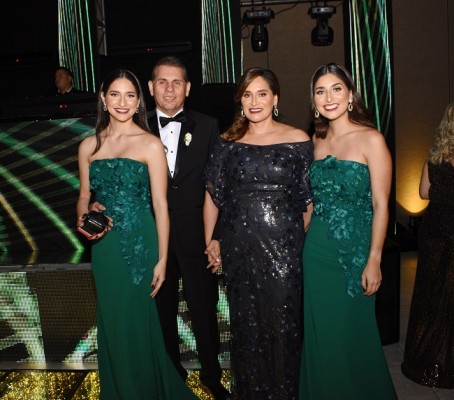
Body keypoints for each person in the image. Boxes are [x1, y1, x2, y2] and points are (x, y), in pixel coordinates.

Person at [76, 69, 197, 399]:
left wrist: (161, 260)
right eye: (115, 94)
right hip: (104, 247)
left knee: (136, 324)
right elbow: (84, 195)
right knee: (113, 324)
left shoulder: (149, 144)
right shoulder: (88, 145)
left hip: (140, 246)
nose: (122, 102)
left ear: (138, 101)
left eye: (130, 95)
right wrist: (85, 216)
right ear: (103, 98)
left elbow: (161, 205)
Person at [204, 67, 314, 400]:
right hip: (239, 251)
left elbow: (306, 201)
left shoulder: (298, 139)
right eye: (247, 95)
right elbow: (213, 195)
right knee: (246, 328)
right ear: (240, 101)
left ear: (275, 98)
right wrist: (211, 239)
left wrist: (291, 241)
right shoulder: (228, 142)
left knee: (282, 329)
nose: (254, 102)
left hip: (283, 252)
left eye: (262, 94)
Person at [299, 63, 397, 400]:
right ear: (313, 101)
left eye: (336, 88)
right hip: (316, 252)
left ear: (350, 94)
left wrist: (374, 259)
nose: (329, 97)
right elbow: (310, 204)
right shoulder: (315, 141)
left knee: (352, 335)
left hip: (355, 253)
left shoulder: (371, 139)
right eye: (321, 91)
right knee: (321, 335)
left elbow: (382, 205)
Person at [401, 103, 454, 388]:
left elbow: (423, 193)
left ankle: (425, 358)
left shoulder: (434, 157)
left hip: (434, 232)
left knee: (431, 295)